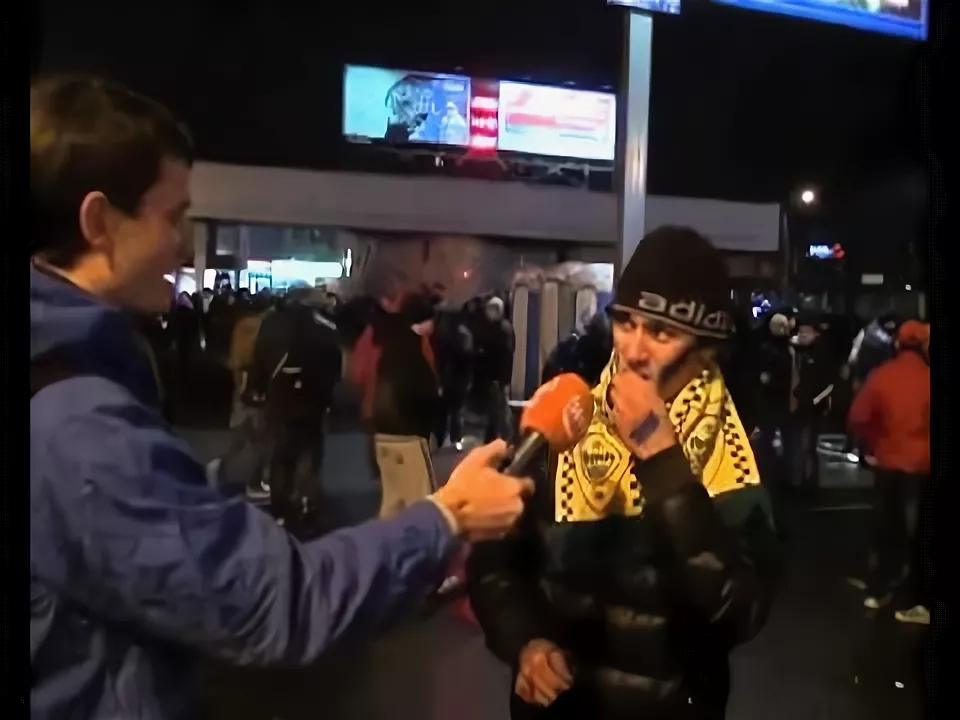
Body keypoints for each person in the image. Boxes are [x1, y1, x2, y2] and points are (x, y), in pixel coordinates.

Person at [29, 75, 533, 720]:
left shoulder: (69, 379)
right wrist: (449, 518)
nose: (184, 244)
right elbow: (277, 603)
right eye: (172, 217)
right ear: (98, 222)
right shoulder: (77, 427)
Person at [467, 227, 780, 720]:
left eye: (661, 333)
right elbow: (496, 560)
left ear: (706, 349)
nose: (633, 351)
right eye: (626, 322)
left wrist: (664, 461)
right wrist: (525, 642)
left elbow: (740, 611)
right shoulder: (568, 417)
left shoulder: (736, 452)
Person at [848, 320, 931, 622]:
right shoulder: (928, 377)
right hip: (922, 465)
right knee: (917, 534)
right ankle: (918, 601)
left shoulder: (882, 375)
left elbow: (859, 416)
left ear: (897, 344)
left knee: (886, 529)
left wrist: (873, 444)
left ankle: (880, 589)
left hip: (888, 462)